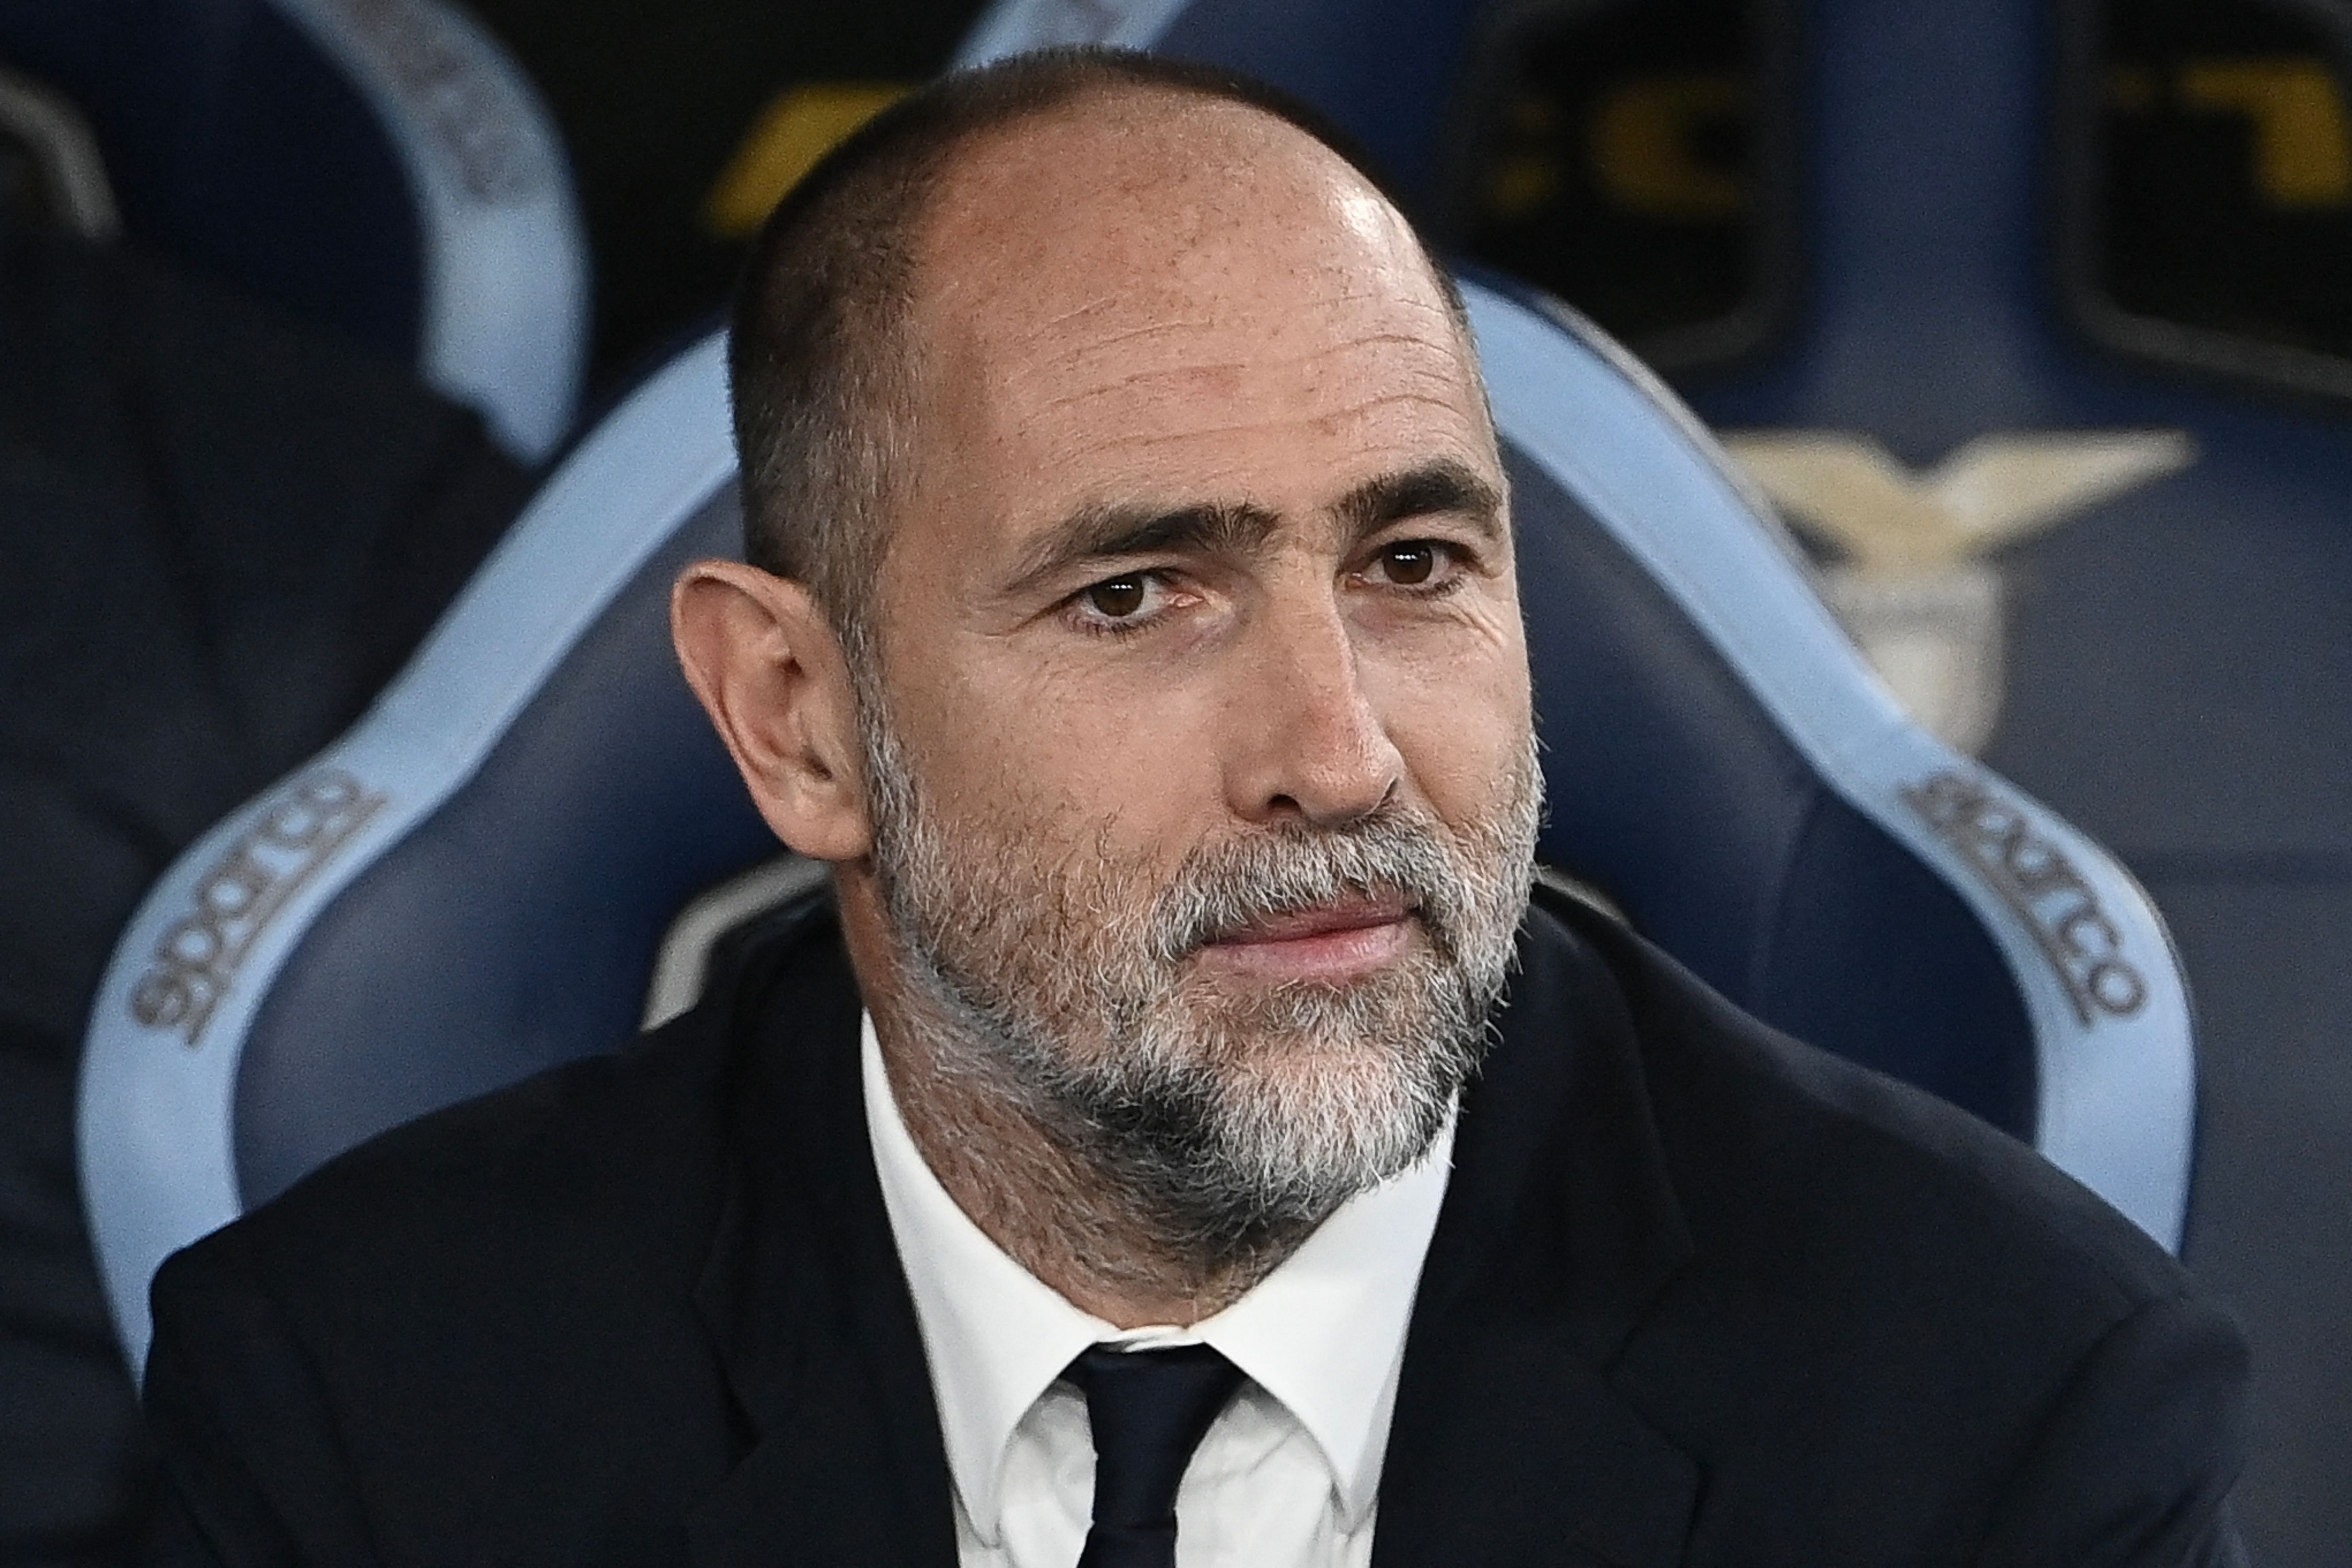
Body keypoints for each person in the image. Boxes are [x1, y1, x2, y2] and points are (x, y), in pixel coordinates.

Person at [134, 47, 2247, 1568]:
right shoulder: (369, 1406)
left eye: (1413, 563)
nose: (1339, 755)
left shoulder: (1997, 1407)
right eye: (1136, 594)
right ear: (794, 717)